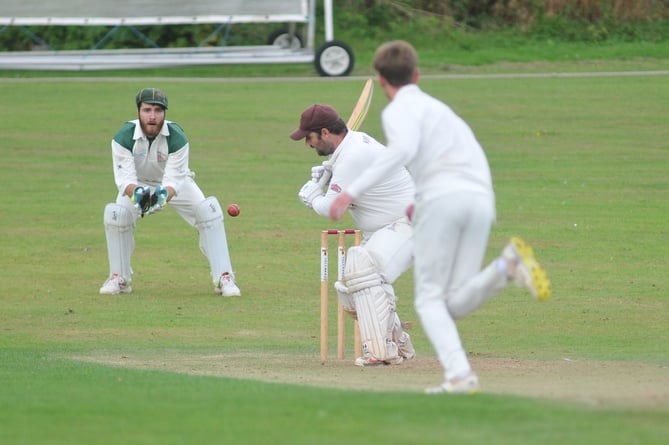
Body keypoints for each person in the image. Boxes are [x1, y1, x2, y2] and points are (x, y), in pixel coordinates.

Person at [329, 41, 551, 393]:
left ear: (382, 81)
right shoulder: (442, 110)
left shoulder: (398, 110)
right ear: (416, 75)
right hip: (480, 199)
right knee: (454, 302)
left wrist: (350, 192)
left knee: (430, 300)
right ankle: (507, 266)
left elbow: (402, 152)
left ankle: (460, 377)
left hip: (444, 201)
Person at [290, 103, 416, 367]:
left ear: (324, 132)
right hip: (388, 229)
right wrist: (331, 173)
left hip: (408, 225)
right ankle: (399, 343)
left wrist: (313, 197)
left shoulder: (353, 154)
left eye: (309, 138)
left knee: (361, 265)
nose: (307, 144)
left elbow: (333, 209)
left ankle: (380, 351)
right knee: (350, 288)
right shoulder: (350, 150)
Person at [100, 87, 241, 297]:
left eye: (158, 110)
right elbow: (125, 180)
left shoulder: (177, 137)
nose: (152, 116)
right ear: (138, 111)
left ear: (165, 113)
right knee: (116, 215)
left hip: (174, 186)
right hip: (137, 186)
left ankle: (224, 277)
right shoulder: (123, 137)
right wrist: (143, 198)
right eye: (147, 110)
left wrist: (158, 199)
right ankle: (119, 278)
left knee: (209, 211)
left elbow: (174, 180)